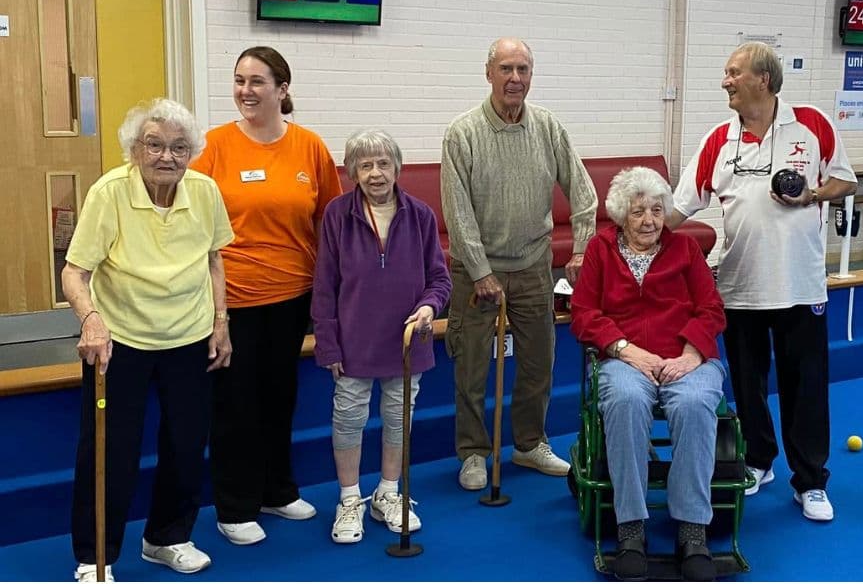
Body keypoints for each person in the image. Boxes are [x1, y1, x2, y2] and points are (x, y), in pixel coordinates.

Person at [667, 41, 858, 520]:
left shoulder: (812, 125)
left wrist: (812, 193)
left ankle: (810, 481)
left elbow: (845, 181)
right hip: (738, 286)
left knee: (805, 386)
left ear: (764, 80)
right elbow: (678, 207)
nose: (725, 81)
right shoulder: (718, 139)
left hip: (800, 286)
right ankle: (758, 460)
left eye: (733, 73)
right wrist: (627, 233)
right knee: (748, 385)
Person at [63, 99, 233, 581]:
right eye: (154, 145)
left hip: (189, 335)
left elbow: (214, 259)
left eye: (180, 148)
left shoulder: (204, 191)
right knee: (109, 449)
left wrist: (221, 322)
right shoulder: (109, 192)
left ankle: (167, 537)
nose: (167, 156)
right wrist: (91, 320)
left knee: (185, 443)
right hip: (121, 340)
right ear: (135, 149)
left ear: (191, 153)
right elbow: (75, 271)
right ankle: (95, 555)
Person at [192, 46, 343, 545]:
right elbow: (192, 225)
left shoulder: (310, 147)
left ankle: (277, 491)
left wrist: (334, 292)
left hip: (292, 295)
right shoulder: (214, 146)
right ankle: (234, 506)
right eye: (238, 80)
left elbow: (331, 222)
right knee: (235, 405)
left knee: (280, 398)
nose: (245, 91)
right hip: (231, 299)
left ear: (282, 89)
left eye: (257, 81)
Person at [441, 37, 598, 490]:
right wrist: (481, 271)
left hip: (533, 266)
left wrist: (583, 248)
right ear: (488, 73)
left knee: (538, 362)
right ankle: (472, 452)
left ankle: (529, 444)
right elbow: (458, 213)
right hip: (476, 270)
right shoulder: (462, 132)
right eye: (506, 69)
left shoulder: (548, 127)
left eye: (523, 70)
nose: (515, 79)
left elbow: (584, 195)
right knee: (471, 366)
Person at [571, 167, 727, 582]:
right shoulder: (601, 250)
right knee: (625, 400)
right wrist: (624, 349)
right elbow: (584, 314)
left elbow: (711, 308)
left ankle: (692, 529)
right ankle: (631, 528)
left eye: (657, 210)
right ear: (622, 214)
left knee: (695, 403)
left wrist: (693, 352)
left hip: (685, 356)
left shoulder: (685, 250)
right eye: (638, 211)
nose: (649, 221)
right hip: (625, 358)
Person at [311, 129, 451, 543]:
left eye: (383, 164)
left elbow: (439, 280)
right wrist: (328, 342)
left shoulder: (421, 214)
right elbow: (325, 286)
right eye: (366, 165)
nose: (375, 173)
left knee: (398, 418)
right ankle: (350, 499)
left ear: (397, 168)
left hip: (408, 343)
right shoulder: (337, 214)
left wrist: (429, 307)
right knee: (349, 419)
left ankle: (388, 493)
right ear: (353, 171)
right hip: (354, 343)